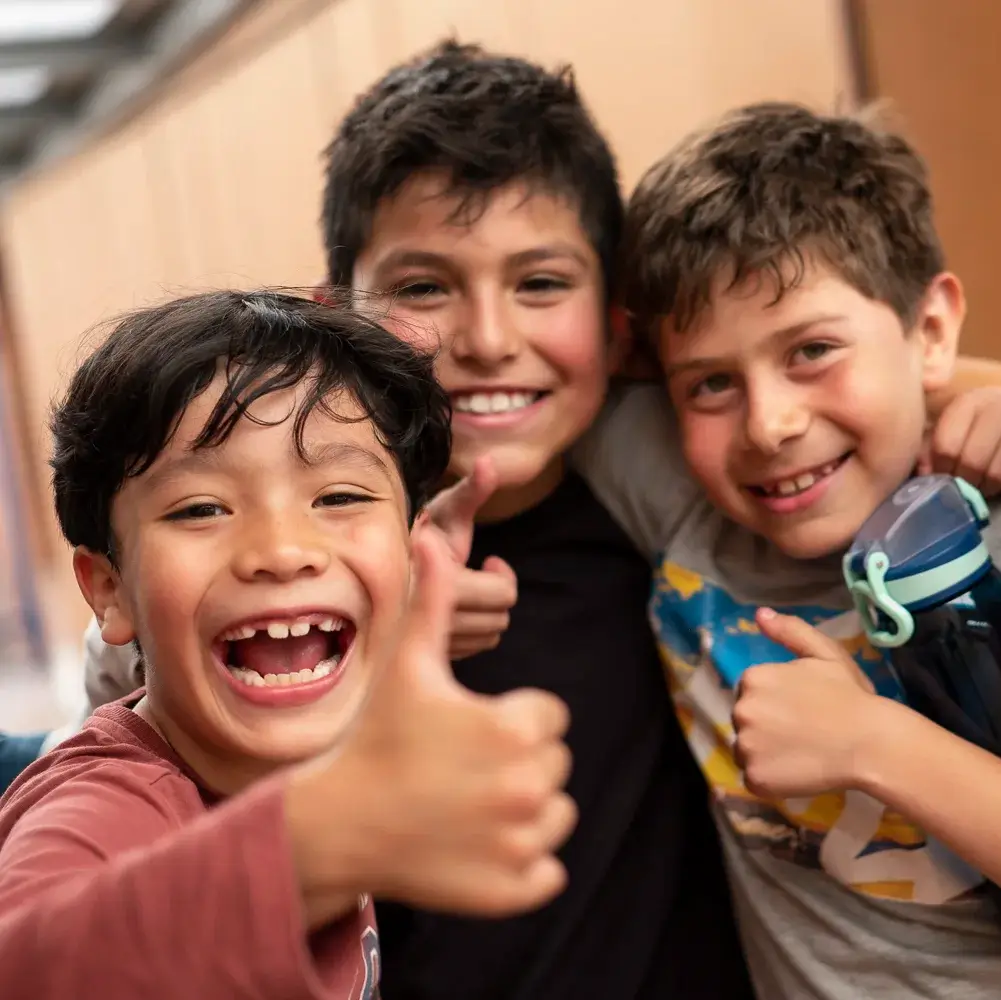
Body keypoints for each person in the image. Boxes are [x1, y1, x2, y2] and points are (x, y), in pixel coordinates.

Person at [65, 43, 1001, 998]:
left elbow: (852, 394)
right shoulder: (302, 556)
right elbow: (137, 679)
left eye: (542, 283)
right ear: (345, 312)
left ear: (616, 328)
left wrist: (998, 407)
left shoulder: (667, 461)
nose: (489, 339)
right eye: (423, 287)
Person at [565, 101, 1001, 999]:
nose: (770, 425)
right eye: (712, 383)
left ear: (930, 332)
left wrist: (873, 744)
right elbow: (517, 364)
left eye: (812, 351)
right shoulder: (681, 487)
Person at [0, 290, 576, 998]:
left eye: (339, 497)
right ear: (110, 589)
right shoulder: (110, 801)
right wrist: (323, 840)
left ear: (409, 546)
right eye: (201, 508)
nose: (282, 550)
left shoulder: (349, 739)